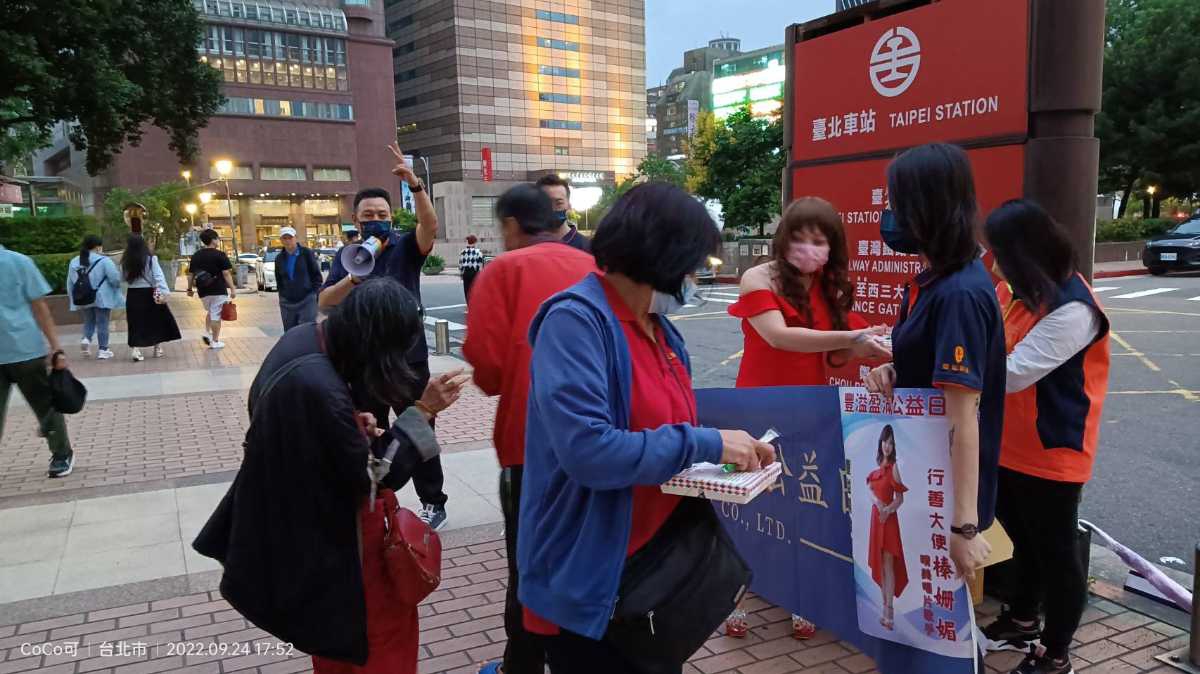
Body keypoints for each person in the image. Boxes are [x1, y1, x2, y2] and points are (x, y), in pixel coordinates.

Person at [517, 182, 776, 673]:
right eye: (691, 264)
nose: (694, 278)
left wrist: (726, 455)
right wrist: (705, 441)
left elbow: (669, 428)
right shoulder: (576, 323)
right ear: (660, 257)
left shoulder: (659, 328)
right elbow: (589, 450)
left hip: (653, 569)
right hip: (592, 574)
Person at [194, 278, 467, 674]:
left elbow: (307, 432)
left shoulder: (304, 341)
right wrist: (422, 411)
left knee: (335, 655)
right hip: (344, 554)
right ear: (376, 344)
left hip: (305, 542)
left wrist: (353, 426)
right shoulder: (320, 388)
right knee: (378, 646)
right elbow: (374, 478)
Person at [724, 196, 890, 639]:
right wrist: (851, 337)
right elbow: (779, 337)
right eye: (800, 238)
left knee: (804, 505)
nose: (810, 249)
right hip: (758, 408)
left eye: (820, 241)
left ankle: (800, 596)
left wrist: (869, 348)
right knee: (750, 503)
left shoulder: (827, 284)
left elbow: (833, 350)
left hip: (809, 407)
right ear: (784, 238)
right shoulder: (758, 277)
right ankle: (735, 596)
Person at [463, 184, 599, 674]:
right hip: (597, 441)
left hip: (529, 443)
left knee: (529, 562)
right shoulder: (594, 267)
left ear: (512, 225)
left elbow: (486, 363)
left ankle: (520, 665)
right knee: (585, 553)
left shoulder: (503, 270)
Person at [864, 142, 1004, 585]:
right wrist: (896, 372)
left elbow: (964, 417)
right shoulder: (931, 283)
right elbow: (930, 372)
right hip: (921, 473)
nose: (889, 213)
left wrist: (963, 527)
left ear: (927, 207)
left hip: (945, 494)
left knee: (944, 625)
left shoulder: (959, 294)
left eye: (896, 202)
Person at [980, 200, 1110, 674]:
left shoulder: (1075, 309)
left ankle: (1054, 653)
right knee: (1022, 538)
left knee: (1056, 552)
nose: (991, 260)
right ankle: (1020, 617)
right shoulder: (1016, 292)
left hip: (1053, 449)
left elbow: (1013, 372)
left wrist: (952, 364)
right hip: (1010, 441)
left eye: (997, 251)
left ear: (1023, 252)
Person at [320, 142, 451, 530]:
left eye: (381, 213)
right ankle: (380, 497)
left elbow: (430, 227)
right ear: (356, 220)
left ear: (391, 217)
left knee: (421, 428)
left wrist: (416, 186)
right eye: (368, 215)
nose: (375, 219)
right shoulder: (348, 256)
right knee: (370, 430)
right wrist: (352, 276)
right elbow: (325, 301)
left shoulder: (405, 247)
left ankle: (434, 501)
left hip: (408, 359)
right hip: (362, 362)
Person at [0, 244, 74, 477]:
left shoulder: (17, 262)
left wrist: (55, 348)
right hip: (26, 349)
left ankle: (62, 453)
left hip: (25, 349)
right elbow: (40, 307)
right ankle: (61, 455)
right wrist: (55, 347)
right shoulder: (21, 261)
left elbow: (40, 306)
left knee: (44, 404)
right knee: (45, 405)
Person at [867, 424, 908, 631]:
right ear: (880, 443)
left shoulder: (895, 468)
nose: (887, 446)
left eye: (891, 443)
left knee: (888, 564)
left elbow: (900, 498)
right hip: (876, 519)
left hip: (888, 520)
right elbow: (870, 489)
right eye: (885, 441)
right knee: (880, 565)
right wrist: (876, 503)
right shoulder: (876, 468)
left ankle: (889, 612)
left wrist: (888, 509)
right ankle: (884, 610)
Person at [122, 234, 181, 361]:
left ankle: (136, 350)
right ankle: (157, 348)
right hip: (149, 294)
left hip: (133, 294)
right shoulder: (150, 259)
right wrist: (165, 293)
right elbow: (159, 277)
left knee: (135, 322)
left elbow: (122, 279)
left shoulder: (126, 261)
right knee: (156, 320)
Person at [67, 235, 122, 360]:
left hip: (83, 297)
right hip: (102, 297)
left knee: (89, 320)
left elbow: (70, 282)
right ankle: (103, 350)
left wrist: (73, 298)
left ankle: (86, 339)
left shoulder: (74, 261)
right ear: (98, 247)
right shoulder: (104, 260)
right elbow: (114, 278)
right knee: (102, 322)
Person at [186, 229, 236, 350]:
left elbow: (191, 274)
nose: (218, 240)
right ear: (213, 240)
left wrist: (189, 289)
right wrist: (233, 289)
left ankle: (206, 332)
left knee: (212, 311)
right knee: (216, 315)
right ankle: (215, 341)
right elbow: (226, 274)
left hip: (203, 291)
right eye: (217, 238)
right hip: (218, 289)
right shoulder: (220, 255)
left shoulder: (196, 256)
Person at [275, 226, 323, 330]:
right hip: (287, 302)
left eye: (290, 238)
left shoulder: (306, 253)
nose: (288, 241)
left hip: (307, 299)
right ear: (281, 240)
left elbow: (316, 276)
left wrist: (313, 293)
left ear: (295, 238)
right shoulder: (279, 258)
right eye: (285, 238)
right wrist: (283, 295)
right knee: (290, 332)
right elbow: (279, 279)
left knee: (306, 330)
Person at [535, 174, 590, 252]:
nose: (552, 208)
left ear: (569, 205)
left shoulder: (586, 247)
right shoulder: (528, 244)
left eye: (559, 203)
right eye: (546, 202)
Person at [458, 235, 484, 307]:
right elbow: (480, 263)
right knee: (474, 289)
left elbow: (460, 263)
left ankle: (469, 305)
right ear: (475, 242)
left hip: (466, 272)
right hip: (474, 272)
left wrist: (461, 273)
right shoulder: (478, 252)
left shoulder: (463, 252)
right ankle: (475, 305)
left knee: (466, 289)